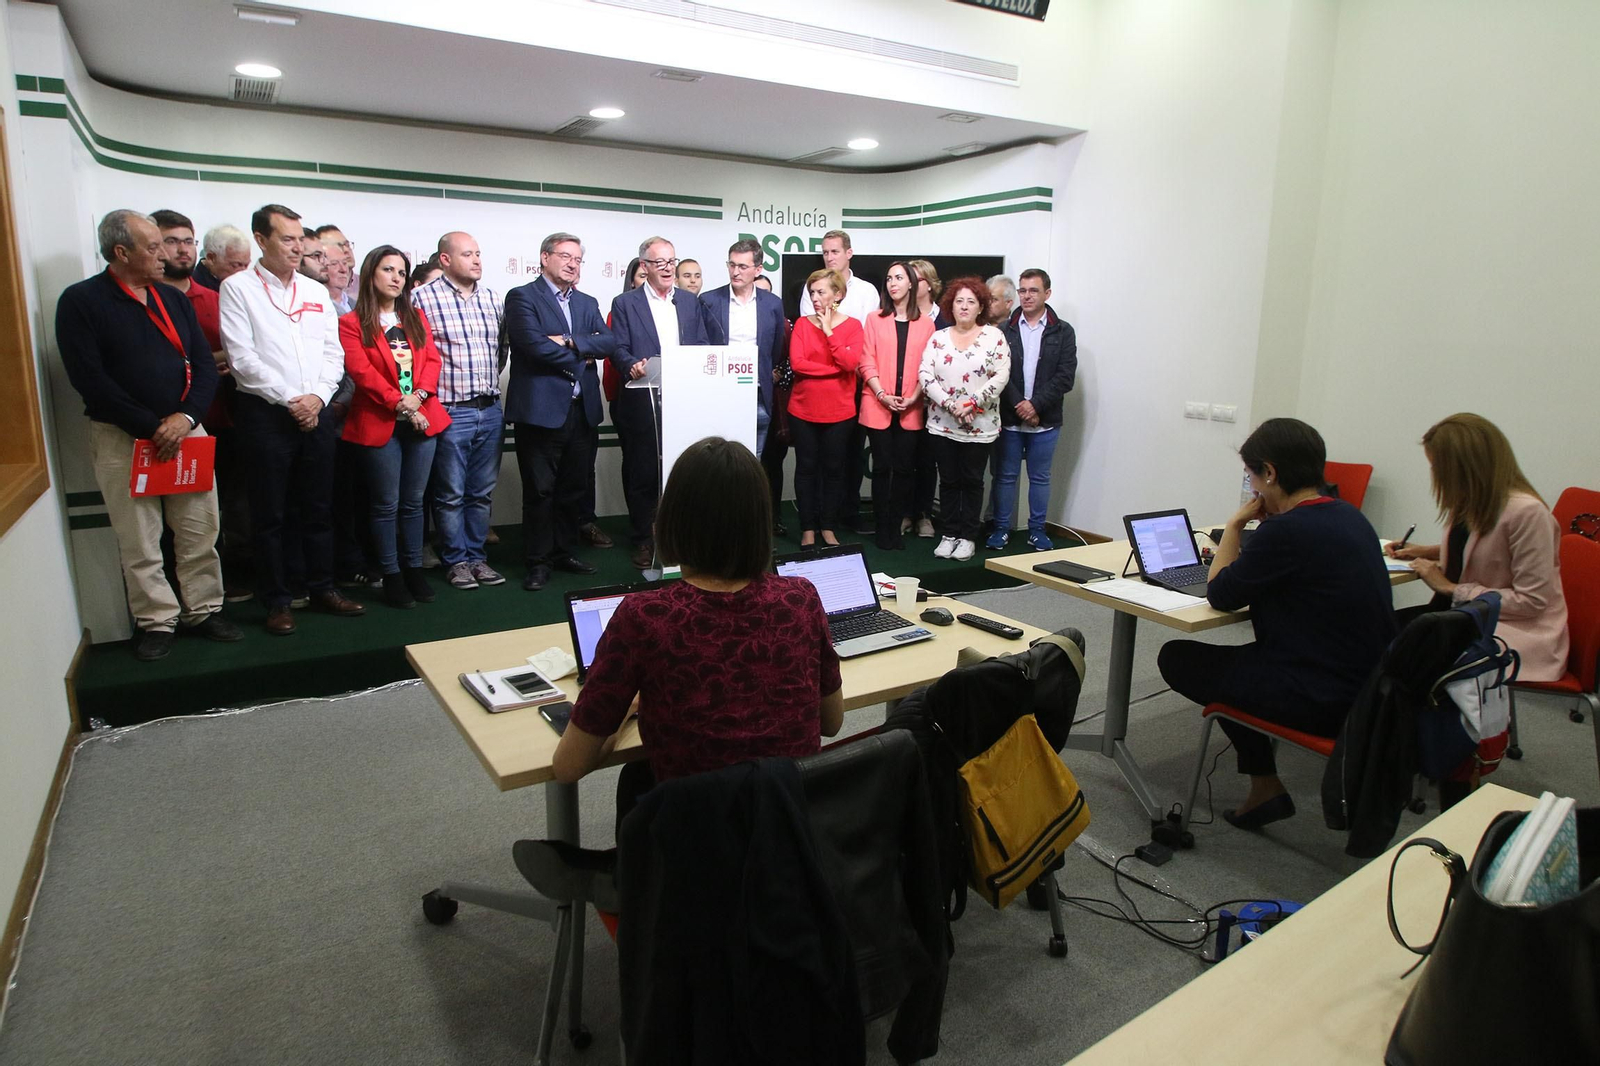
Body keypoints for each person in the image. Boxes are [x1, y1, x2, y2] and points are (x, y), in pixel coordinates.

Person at [552, 436, 843, 785]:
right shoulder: (800, 599)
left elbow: (568, 767)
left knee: (634, 780)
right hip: (787, 825)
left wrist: (627, 712)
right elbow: (832, 722)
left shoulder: (645, 617)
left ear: (670, 520)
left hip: (690, 833)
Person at [1157, 418, 1395, 829]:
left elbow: (1220, 594)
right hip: (1369, 687)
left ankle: (1264, 784)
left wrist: (1234, 525)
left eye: (1251, 476)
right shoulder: (1350, 517)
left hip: (1321, 696)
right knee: (1239, 662)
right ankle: (1262, 786)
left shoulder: (1285, 531)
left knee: (1178, 657)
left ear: (1270, 472)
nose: (1252, 487)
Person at [56, 209, 241, 660]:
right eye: (153, 247)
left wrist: (185, 419)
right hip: (125, 436)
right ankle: (157, 620)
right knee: (139, 536)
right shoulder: (81, 301)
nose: (166, 255)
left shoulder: (170, 299)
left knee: (200, 527)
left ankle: (203, 609)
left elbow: (202, 365)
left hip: (186, 431)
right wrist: (152, 426)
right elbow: (90, 379)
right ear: (121, 252)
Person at [219, 203, 366, 634]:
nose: (297, 247)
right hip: (265, 415)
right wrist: (292, 400)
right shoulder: (238, 288)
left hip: (315, 413)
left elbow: (332, 354)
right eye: (287, 239)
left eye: (300, 239)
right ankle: (278, 599)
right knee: (270, 513)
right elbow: (242, 359)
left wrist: (317, 399)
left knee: (318, 506)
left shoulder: (314, 291)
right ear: (260, 240)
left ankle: (322, 587)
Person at [1388, 413, 1569, 680]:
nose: (1435, 476)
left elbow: (1532, 601)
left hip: (1512, 630)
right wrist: (1427, 550)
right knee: (1375, 631)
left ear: (1465, 468)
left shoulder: (1528, 513)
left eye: (1438, 468)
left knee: (1395, 653)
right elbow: (1486, 547)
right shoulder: (1471, 502)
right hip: (1463, 615)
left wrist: (1449, 588)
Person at [339, 246, 451, 609]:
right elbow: (361, 372)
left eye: (401, 273)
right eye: (388, 270)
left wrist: (417, 397)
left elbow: (432, 360)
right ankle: (391, 574)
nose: (396, 278)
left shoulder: (415, 315)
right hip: (380, 421)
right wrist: (399, 402)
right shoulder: (352, 322)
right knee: (386, 504)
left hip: (422, 417)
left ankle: (414, 569)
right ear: (371, 274)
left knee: (415, 503)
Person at [504, 232, 615, 591]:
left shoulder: (587, 301)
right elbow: (533, 346)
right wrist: (584, 351)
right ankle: (537, 561)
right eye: (566, 256)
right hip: (540, 411)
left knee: (572, 489)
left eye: (578, 259)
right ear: (545, 257)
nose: (572, 263)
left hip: (581, 410)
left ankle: (564, 551)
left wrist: (570, 341)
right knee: (540, 491)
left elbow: (609, 342)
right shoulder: (522, 297)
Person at [608, 235, 723, 570]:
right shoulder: (625, 303)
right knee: (643, 472)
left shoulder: (687, 302)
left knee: (683, 472)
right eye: (660, 263)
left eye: (672, 262)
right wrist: (631, 363)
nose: (668, 269)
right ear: (644, 266)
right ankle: (643, 540)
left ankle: (682, 539)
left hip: (684, 399)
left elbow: (702, 342)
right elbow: (618, 346)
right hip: (643, 399)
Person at [153, 209, 250, 600]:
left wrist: (221, 361)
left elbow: (235, 352)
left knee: (217, 511)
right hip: (154, 426)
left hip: (215, 420)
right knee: (158, 524)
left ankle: (215, 592)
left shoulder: (215, 298)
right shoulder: (138, 300)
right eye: (171, 241)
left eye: (187, 240)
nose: (181, 249)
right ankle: (168, 600)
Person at [410, 231, 508, 591]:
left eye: (479, 253)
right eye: (468, 254)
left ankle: (477, 558)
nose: (477, 260)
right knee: (449, 493)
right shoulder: (421, 298)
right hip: (451, 410)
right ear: (446, 260)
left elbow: (501, 350)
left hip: (490, 408)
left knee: (480, 492)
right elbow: (417, 356)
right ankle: (456, 561)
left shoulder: (493, 299)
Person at [919, 276, 1010, 562]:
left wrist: (972, 402)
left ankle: (968, 536)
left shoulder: (994, 336)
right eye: (959, 301)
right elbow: (925, 375)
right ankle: (949, 534)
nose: (964, 307)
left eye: (971, 301)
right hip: (942, 422)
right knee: (948, 481)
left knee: (972, 481)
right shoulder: (938, 337)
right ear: (951, 305)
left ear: (980, 305)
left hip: (979, 424)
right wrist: (948, 403)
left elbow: (1002, 374)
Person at [988, 268, 1077, 552]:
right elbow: (999, 373)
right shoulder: (1004, 330)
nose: (1026, 296)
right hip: (1011, 418)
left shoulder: (1062, 331)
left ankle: (1037, 530)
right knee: (1005, 476)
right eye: (1023, 291)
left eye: (1033, 291)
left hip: (1046, 419)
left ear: (1047, 294)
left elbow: (1065, 376)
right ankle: (1001, 529)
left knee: (1040, 477)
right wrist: (1021, 406)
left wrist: (1035, 405)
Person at [800, 230, 879, 535]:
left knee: (851, 454)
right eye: (825, 252)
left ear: (849, 253)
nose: (829, 257)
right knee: (818, 461)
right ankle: (816, 518)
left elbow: (860, 341)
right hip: (819, 390)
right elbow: (811, 336)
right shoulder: (813, 288)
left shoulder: (867, 292)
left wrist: (844, 354)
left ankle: (848, 512)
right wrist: (840, 357)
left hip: (856, 385)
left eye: (834, 251)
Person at [859, 261, 934, 550]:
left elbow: (929, 367)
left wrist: (915, 396)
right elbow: (867, 360)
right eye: (889, 278)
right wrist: (881, 394)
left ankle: (895, 526)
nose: (893, 283)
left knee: (904, 470)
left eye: (899, 278)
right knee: (882, 468)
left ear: (911, 284)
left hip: (911, 406)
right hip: (878, 403)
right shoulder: (874, 318)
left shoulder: (926, 323)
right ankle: (882, 528)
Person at [788, 269, 864, 548]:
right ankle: (808, 527)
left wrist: (830, 331)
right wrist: (833, 369)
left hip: (840, 412)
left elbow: (850, 363)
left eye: (821, 292)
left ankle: (828, 526)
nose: (815, 298)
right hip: (803, 409)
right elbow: (798, 364)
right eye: (812, 293)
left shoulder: (854, 326)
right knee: (806, 468)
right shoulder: (802, 324)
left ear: (838, 295)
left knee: (834, 469)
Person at [699, 238, 788, 459]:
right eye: (731, 264)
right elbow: (700, 347)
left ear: (758, 269)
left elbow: (775, 349)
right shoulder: (708, 300)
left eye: (742, 266)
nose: (735, 272)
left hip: (757, 392)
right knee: (716, 459)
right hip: (719, 392)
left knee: (752, 460)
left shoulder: (772, 304)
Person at [907, 258, 949, 538]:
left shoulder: (945, 318)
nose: (909, 284)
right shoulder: (898, 314)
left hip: (936, 404)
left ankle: (923, 514)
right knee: (902, 460)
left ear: (930, 284)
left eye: (916, 279)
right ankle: (902, 513)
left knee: (926, 461)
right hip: (903, 401)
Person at [193, 224, 251, 291]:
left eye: (246, 265)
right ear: (211, 258)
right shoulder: (191, 288)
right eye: (236, 265)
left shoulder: (247, 285)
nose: (243, 272)